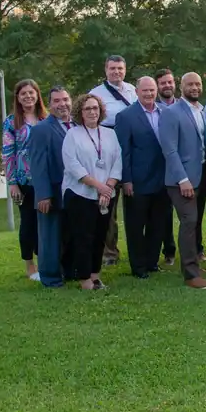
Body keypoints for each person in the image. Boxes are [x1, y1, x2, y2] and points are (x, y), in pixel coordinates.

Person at [158, 72, 206, 290]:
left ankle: (195, 263)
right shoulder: (171, 113)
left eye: (198, 84)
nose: (194, 87)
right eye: (190, 84)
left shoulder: (201, 110)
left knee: (197, 221)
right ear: (181, 87)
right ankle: (191, 275)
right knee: (189, 221)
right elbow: (170, 150)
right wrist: (182, 179)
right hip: (181, 179)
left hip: (201, 174)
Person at [62, 94, 121, 291]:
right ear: (80, 112)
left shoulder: (110, 134)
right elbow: (72, 165)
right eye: (88, 108)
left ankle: (96, 276)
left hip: (106, 195)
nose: (92, 112)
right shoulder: (73, 135)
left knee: (100, 236)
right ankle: (85, 279)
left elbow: (118, 162)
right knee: (83, 238)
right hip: (81, 194)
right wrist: (99, 186)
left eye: (95, 108)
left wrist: (109, 187)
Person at [114, 76, 168, 279]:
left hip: (162, 179)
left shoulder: (165, 112)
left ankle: (152, 262)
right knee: (136, 226)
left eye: (152, 90)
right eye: (144, 90)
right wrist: (126, 180)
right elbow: (123, 151)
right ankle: (138, 267)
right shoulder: (126, 116)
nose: (149, 93)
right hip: (137, 181)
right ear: (136, 92)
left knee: (158, 223)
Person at [88, 54, 136, 267]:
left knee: (136, 205)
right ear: (105, 70)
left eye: (120, 68)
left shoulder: (133, 90)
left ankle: (139, 248)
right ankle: (109, 253)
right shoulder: (96, 94)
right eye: (112, 68)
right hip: (108, 152)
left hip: (133, 152)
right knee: (108, 204)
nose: (116, 72)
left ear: (125, 70)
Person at [28, 86, 74, 288]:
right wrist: (43, 195)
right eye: (57, 101)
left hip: (73, 192)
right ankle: (49, 276)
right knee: (50, 237)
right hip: (51, 192)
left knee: (69, 235)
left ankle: (69, 271)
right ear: (49, 104)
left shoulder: (77, 125)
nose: (62, 104)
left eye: (65, 99)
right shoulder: (41, 129)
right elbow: (37, 164)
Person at [2, 79, 48, 280]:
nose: (28, 97)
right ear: (18, 99)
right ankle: (30, 265)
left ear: (37, 95)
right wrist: (12, 182)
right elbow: (7, 153)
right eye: (24, 94)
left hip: (45, 178)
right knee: (29, 222)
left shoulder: (46, 119)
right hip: (24, 180)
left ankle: (46, 260)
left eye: (31, 93)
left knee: (45, 222)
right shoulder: (12, 122)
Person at [153, 68, 178, 264]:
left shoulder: (186, 106)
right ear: (157, 87)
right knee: (164, 212)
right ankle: (168, 250)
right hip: (161, 168)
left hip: (185, 167)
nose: (167, 85)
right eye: (163, 83)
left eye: (170, 82)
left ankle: (197, 248)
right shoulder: (154, 109)